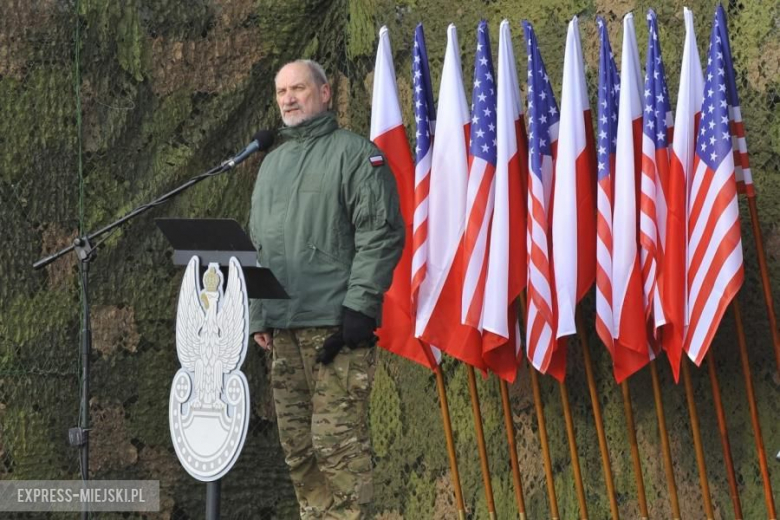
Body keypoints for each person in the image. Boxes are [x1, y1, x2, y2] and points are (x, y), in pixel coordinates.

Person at [248, 59, 404, 519]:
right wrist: (259, 314)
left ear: (324, 93)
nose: (289, 99)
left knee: (337, 447)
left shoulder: (355, 154)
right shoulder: (271, 164)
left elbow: (380, 233)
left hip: (335, 327)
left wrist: (360, 306)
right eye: (281, 92)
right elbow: (259, 244)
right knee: (299, 451)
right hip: (284, 329)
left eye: (298, 88)